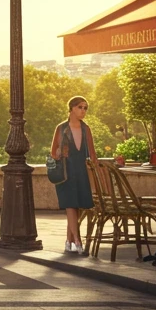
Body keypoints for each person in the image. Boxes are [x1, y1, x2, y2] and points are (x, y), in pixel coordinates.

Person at [51, 96, 98, 255]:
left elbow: (92, 154)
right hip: (66, 172)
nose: (83, 111)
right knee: (70, 205)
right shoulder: (61, 128)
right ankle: (78, 241)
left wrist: (98, 173)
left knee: (77, 207)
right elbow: (53, 152)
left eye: (85, 108)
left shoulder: (86, 129)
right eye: (80, 107)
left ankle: (68, 241)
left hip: (81, 172)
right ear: (71, 108)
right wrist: (59, 153)